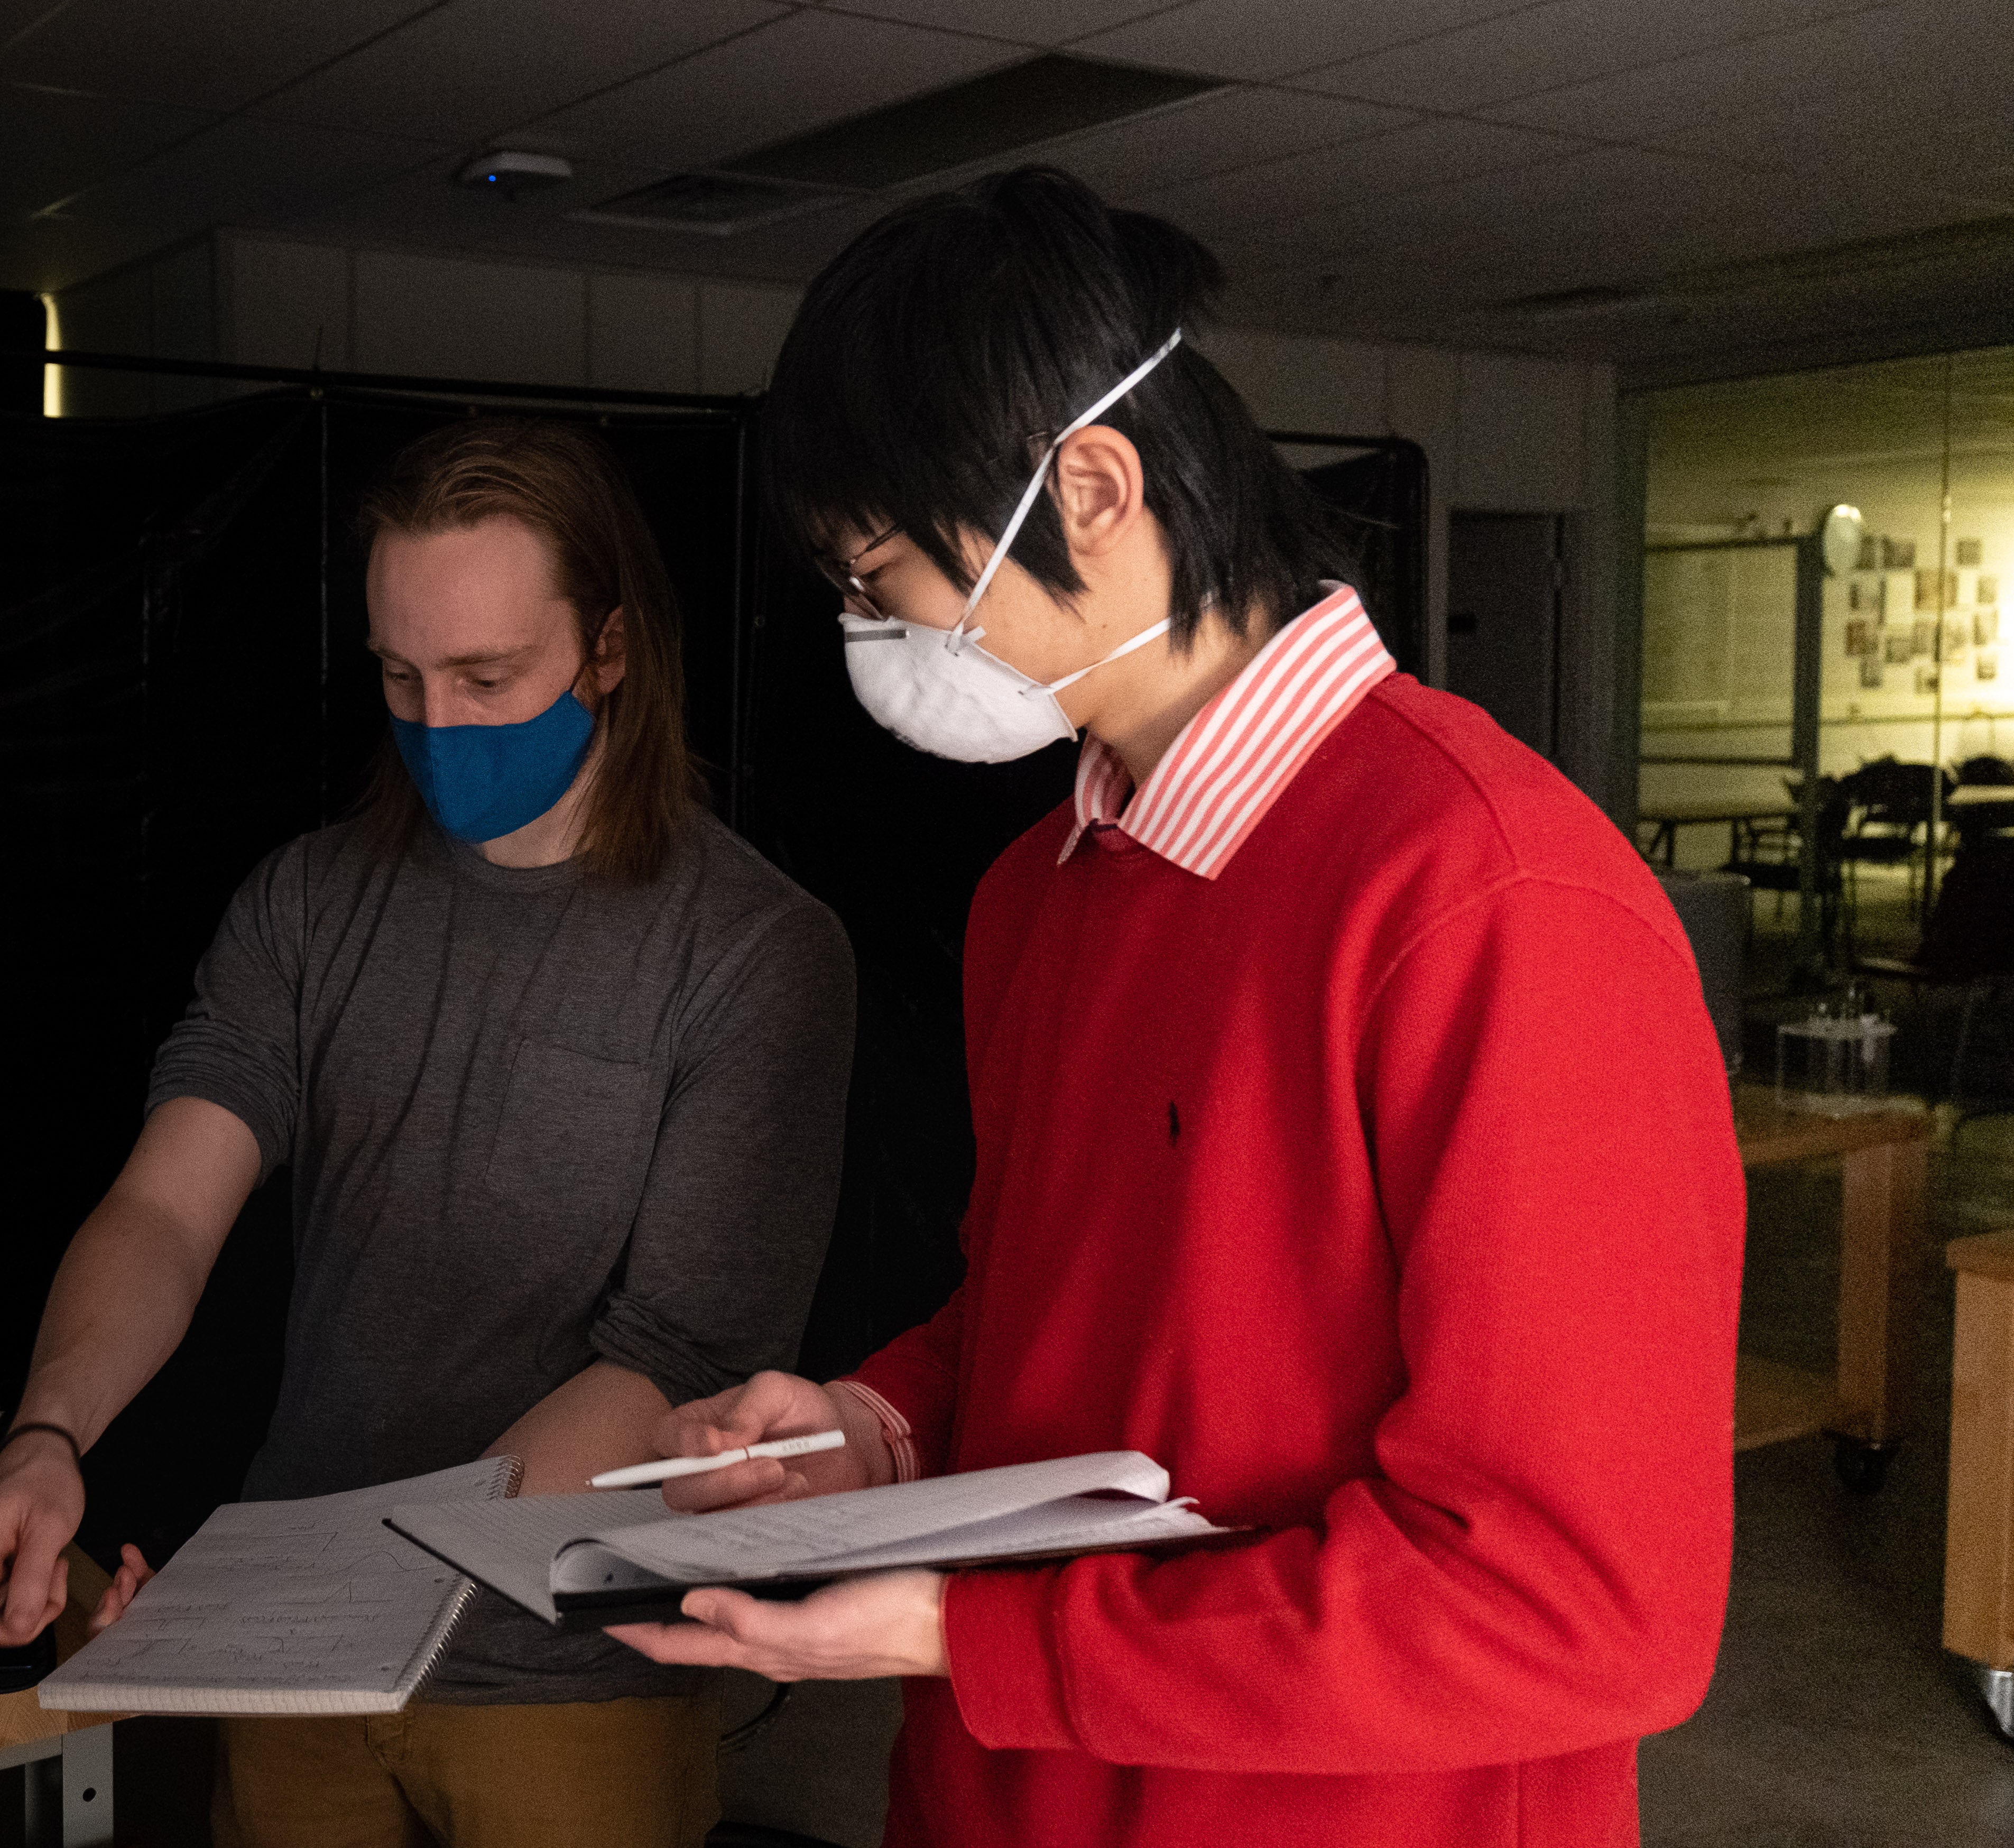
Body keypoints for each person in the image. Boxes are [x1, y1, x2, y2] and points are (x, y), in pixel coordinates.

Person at [608, 167, 1742, 1848]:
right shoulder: (1040, 890)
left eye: (887, 576)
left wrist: (951, 1625)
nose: (874, 635)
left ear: (1092, 484)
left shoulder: (1486, 897)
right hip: (999, 1791)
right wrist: (874, 1428)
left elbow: (1576, 1602)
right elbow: (1060, 1331)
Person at [0, 418, 856, 1848]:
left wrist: (302, 1581)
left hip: (570, 1674)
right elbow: (169, 1207)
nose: (441, 723)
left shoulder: (754, 953)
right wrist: (45, 1433)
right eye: (401, 677)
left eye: (489, 676)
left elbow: (677, 1358)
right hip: (295, 1660)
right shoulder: (308, 902)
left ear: (610, 648)